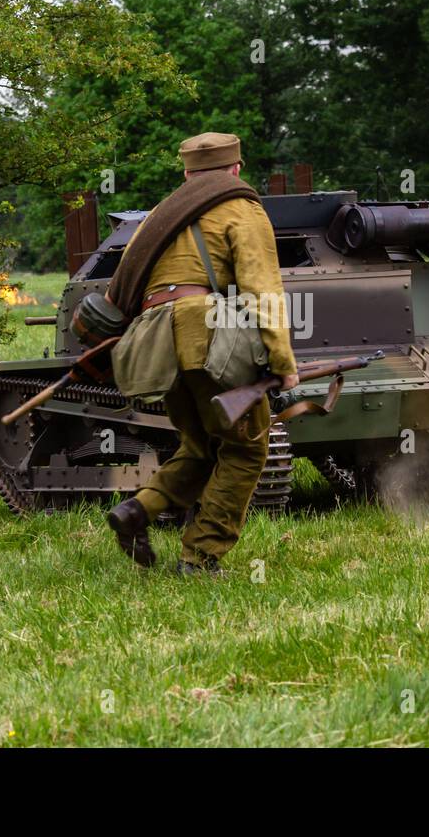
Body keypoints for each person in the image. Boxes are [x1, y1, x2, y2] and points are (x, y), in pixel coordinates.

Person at [105, 133, 298, 575]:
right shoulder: (242, 209)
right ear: (236, 169)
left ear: (187, 172)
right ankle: (200, 556)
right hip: (210, 336)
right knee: (246, 449)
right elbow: (262, 289)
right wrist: (283, 363)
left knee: (198, 445)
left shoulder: (159, 216)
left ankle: (139, 509)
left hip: (156, 342)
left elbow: (127, 283)